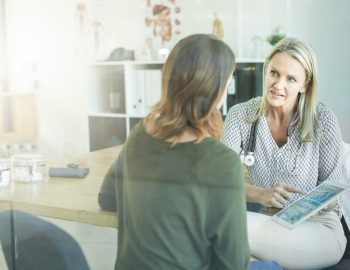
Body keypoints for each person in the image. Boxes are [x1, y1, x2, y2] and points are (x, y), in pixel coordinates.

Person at [98, 34, 281, 270]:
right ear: (216, 91)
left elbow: (107, 199)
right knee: (273, 267)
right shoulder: (221, 162)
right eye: (227, 84)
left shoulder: (139, 133)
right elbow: (233, 263)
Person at [223, 37, 347, 269]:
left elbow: (336, 199)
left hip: (319, 228)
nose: (278, 85)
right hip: (271, 223)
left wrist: (314, 202)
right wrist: (261, 195)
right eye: (274, 73)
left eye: (290, 79)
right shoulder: (240, 116)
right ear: (265, 71)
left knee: (224, 228)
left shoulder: (324, 120)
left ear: (305, 85)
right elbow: (222, 184)